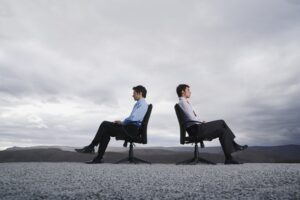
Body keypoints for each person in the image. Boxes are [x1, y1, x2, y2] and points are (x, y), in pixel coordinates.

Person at [176, 84, 248, 164]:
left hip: (195, 128)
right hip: (196, 129)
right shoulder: (183, 102)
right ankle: (235, 145)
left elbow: (191, 117)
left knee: (223, 131)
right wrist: (202, 121)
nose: (190, 92)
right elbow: (191, 117)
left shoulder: (184, 102)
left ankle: (229, 158)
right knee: (221, 122)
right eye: (188, 90)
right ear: (182, 91)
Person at [76, 85, 148, 164]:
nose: (132, 95)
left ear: (140, 93)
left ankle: (91, 147)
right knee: (106, 131)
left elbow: (134, 118)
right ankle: (98, 158)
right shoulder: (139, 104)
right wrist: (122, 123)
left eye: (134, 93)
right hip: (129, 128)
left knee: (105, 124)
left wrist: (122, 122)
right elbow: (133, 118)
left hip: (131, 129)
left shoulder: (143, 104)